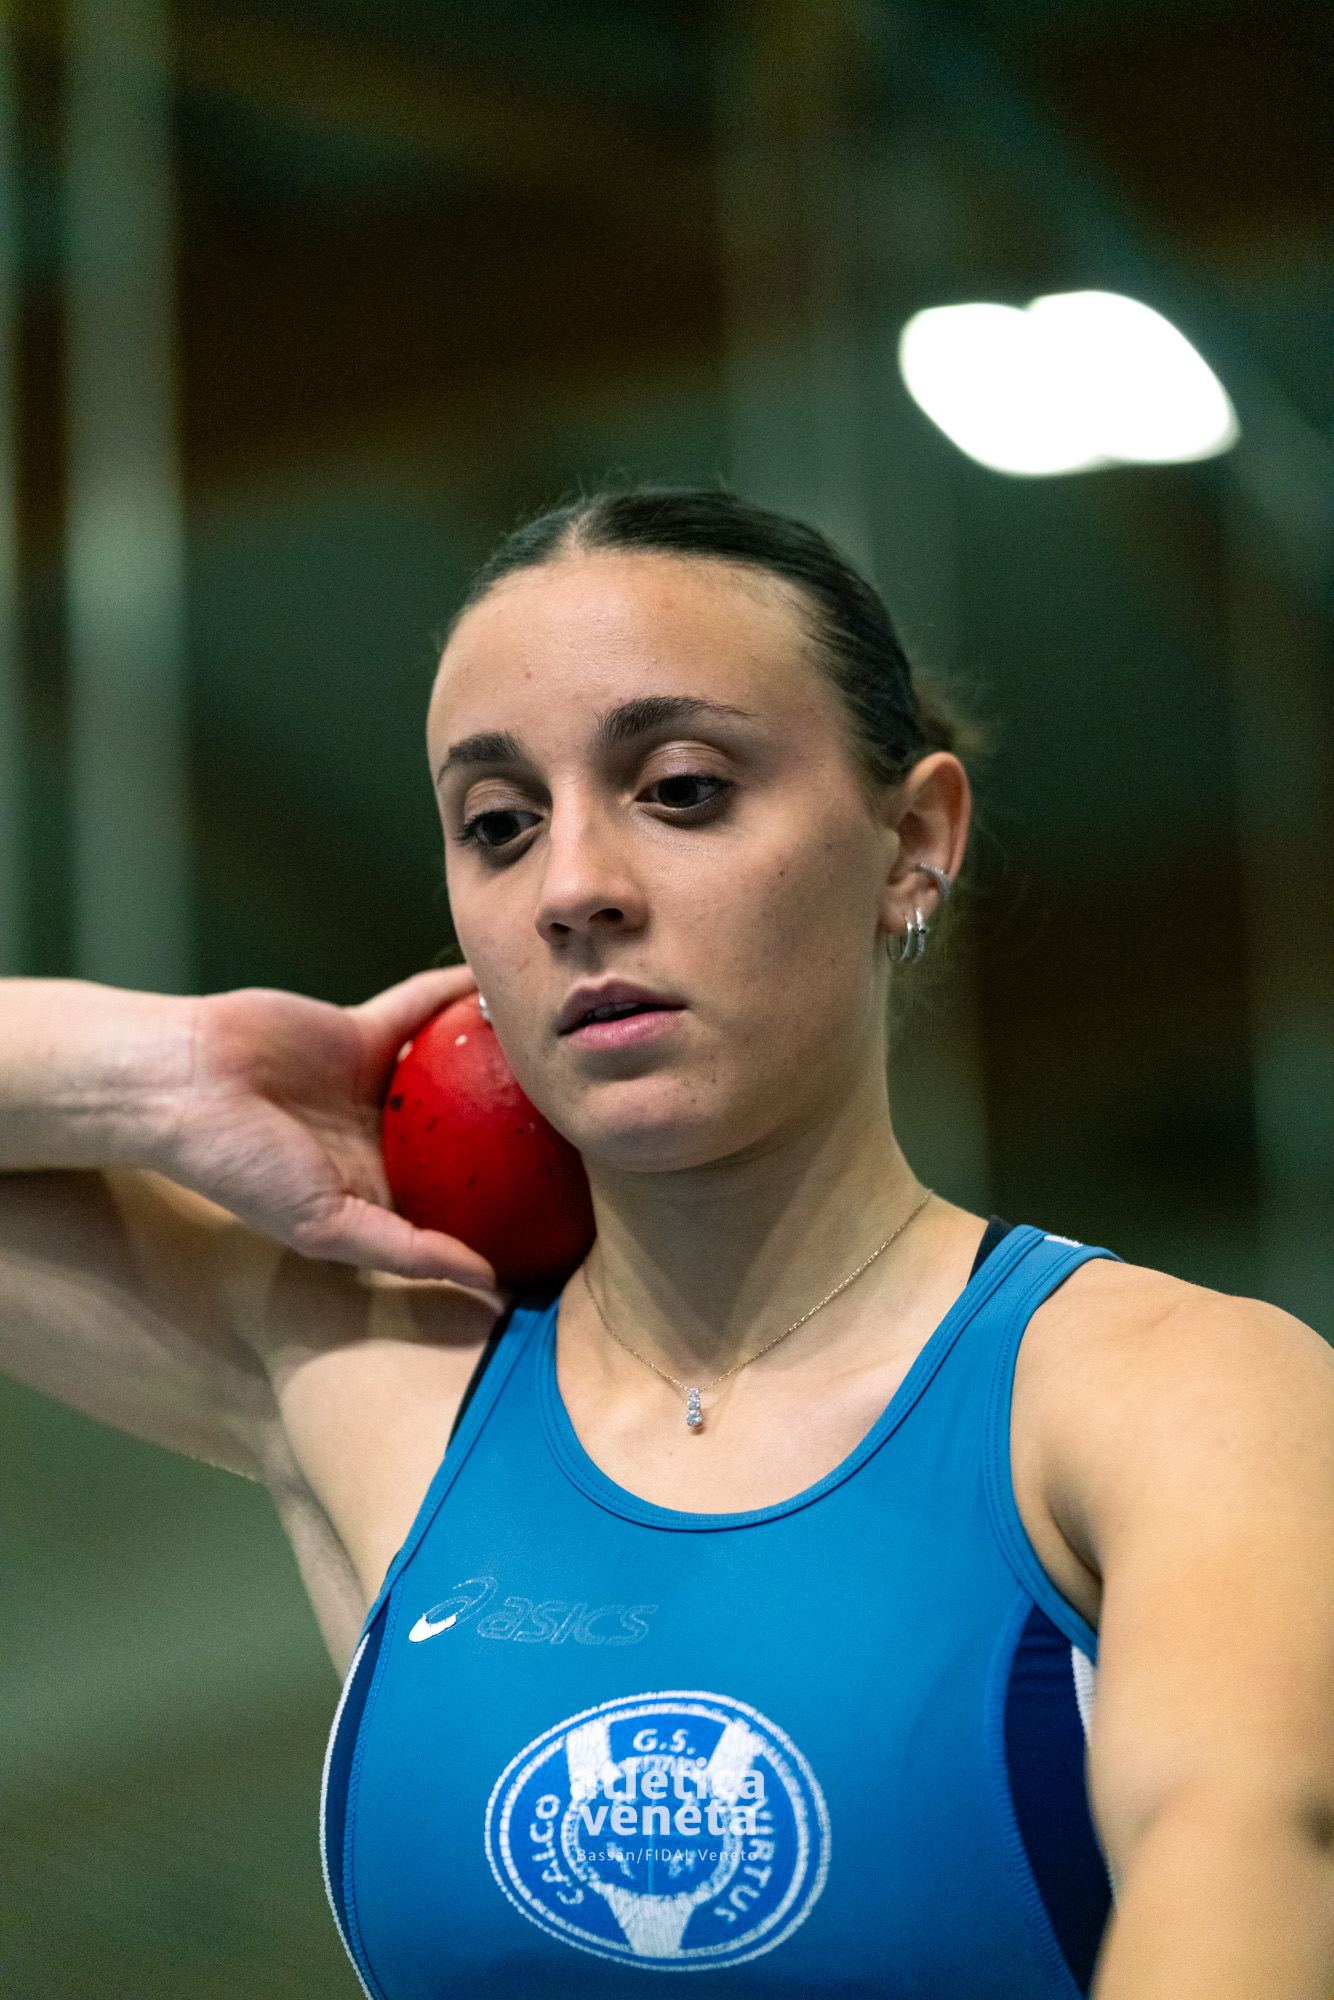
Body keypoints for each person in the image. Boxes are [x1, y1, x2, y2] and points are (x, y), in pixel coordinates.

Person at [2, 488, 1333, 2000]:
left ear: (913, 841)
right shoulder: (385, 1381)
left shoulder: (1174, 1392)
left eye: (681, 789)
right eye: (498, 826)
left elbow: (1250, 1860)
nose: (573, 887)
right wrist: (166, 1075)